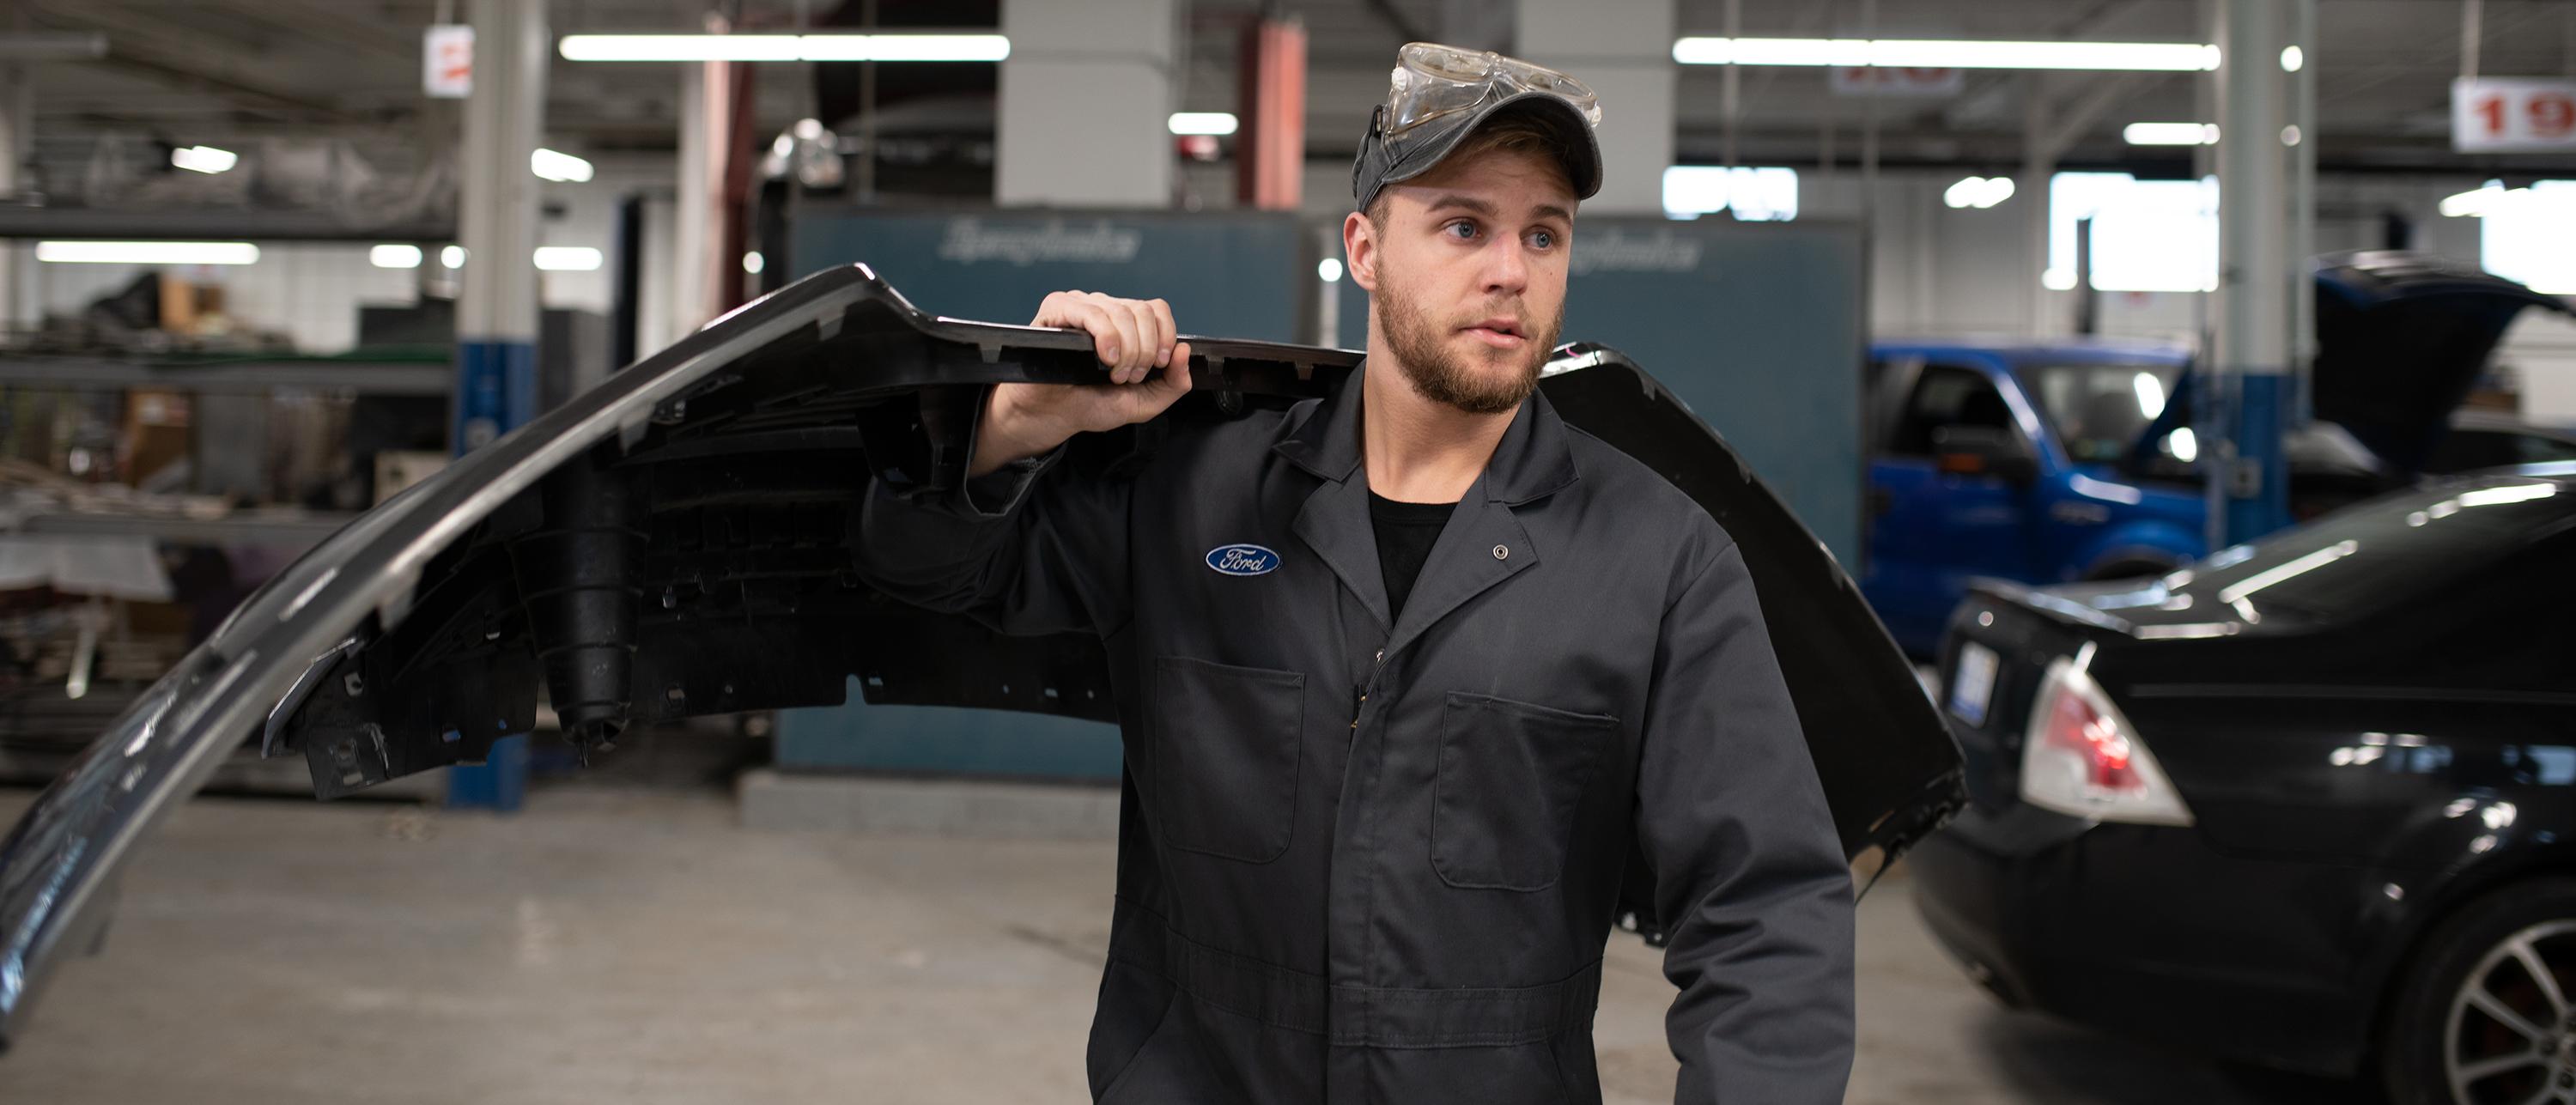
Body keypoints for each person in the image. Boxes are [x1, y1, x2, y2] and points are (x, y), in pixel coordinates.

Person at [855, 42, 1854, 1105]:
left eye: (1544, 234)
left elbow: (1770, 911)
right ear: (1366, 249)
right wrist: (1014, 429)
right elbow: (927, 577)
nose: (1510, 270)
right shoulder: (1191, 493)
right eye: (1464, 225)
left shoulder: (1660, 559)